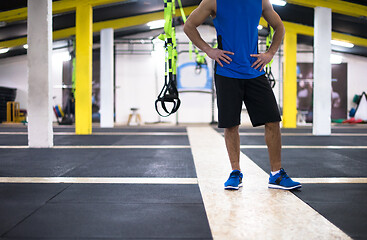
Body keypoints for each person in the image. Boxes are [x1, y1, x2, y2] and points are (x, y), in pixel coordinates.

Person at [184, 0, 301, 190]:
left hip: (255, 70)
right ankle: (235, 172)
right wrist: (209, 50)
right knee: (231, 124)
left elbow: (279, 26)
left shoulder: (261, 1)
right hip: (226, 71)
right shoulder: (213, 1)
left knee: (272, 120)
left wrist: (270, 53)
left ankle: (276, 174)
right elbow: (189, 25)